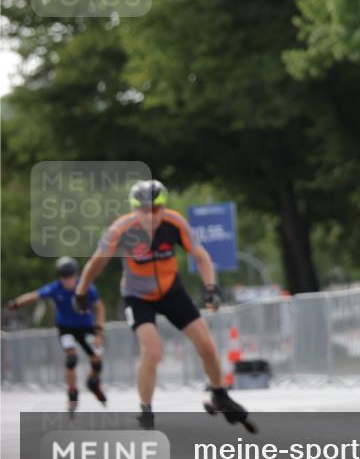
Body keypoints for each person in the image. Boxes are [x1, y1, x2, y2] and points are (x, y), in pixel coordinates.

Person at [73, 179, 251, 430]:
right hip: (138, 296)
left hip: (170, 291)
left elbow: (200, 255)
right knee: (153, 351)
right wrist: (81, 293)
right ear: (134, 210)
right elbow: (96, 263)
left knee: (207, 345)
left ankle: (219, 394)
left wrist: (211, 287)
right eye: (144, 210)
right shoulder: (121, 230)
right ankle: (146, 410)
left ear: (164, 208)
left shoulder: (175, 223)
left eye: (156, 209)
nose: (151, 216)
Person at [6, 256, 107, 414]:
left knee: (97, 361)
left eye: (71, 277)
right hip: (66, 327)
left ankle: (93, 382)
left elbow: (100, 307)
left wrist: (99, 330)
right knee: (71, 359)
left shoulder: (86, 286)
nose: (68, 281)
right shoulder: (55, 288)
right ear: (60, 277)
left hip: (86, 327)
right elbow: (34, 295)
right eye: (64, 277)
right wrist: (16, 303)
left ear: (76, 275)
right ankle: (72, 393)